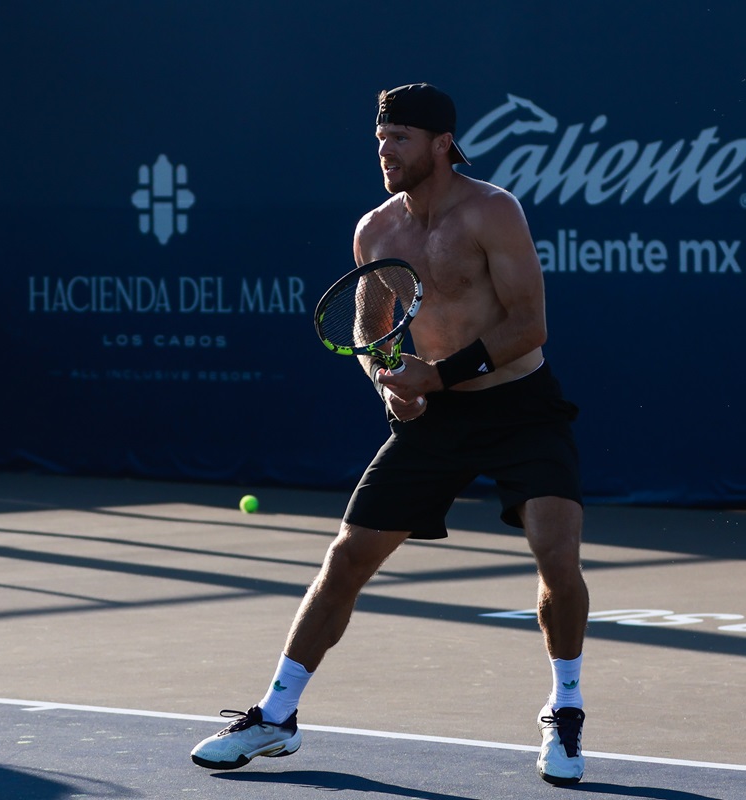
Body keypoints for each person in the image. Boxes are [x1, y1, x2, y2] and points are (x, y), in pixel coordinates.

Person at [190, 82, 590, 786]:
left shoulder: (493, 211)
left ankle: (565, 708)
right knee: (346, 559)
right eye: (380, 139)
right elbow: (369, 330)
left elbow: (530, 326)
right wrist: (388, 385)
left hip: (521, 408)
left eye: (400, 138)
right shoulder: (376, 230)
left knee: (555, 554)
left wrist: (435, 374)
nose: (385, 151)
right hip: (437, 419)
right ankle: (276, 717)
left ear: (442, 144)